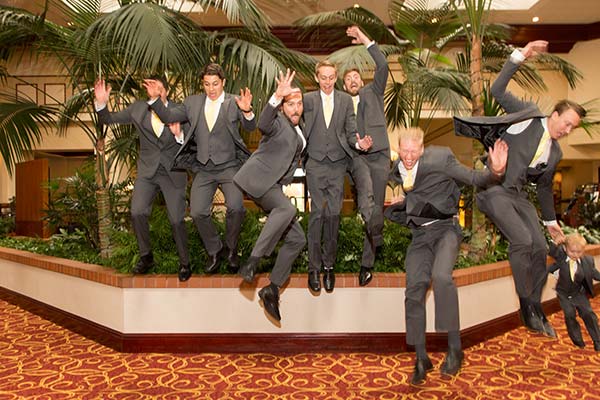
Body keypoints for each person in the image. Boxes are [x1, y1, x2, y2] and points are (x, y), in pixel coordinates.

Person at [454, 40, 587, 337]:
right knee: (523, 241)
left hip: (518, 195)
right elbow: (497, 91)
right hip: (494, 189)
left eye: (572, 129)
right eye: (566, 123)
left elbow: (543, 189)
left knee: (540, 247)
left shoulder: (555, 153)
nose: (567, 130)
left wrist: (551, 222)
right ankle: (526, 305)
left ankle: (533, 305)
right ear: (555, 114)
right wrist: (519, 56)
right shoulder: (529, 115)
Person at [385, 127, 508, 385]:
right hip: (420, 236)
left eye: (414, 151)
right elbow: (406, 191)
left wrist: (495, 171)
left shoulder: (441, 158)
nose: (409, 156)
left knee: (442, 278)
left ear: (422, 148)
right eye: (404, 151)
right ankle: (421, 358)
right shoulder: (397, 168)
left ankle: (455, 349)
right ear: (399, 149)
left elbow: (473, 177)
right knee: (414, 289)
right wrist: (401, 203)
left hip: (445, 229)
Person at [144, 64, 256, 275]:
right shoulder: (192, 103)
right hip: (204, 167)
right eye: (206, 84)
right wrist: (155, 99)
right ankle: (215, 249)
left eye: (215, 84)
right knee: (197, 212)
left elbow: (250, 127)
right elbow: (168, 116)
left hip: (229, 166)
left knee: (236, 207)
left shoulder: (235, 102)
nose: (211, 89)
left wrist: (247, 111)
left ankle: (231, 249)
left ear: (223, 82)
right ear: (202, 84)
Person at [94, 76, 192, 282]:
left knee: (176, 219)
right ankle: (146, 256)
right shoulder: (137, 109)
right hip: (148, 172)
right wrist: (101, 104)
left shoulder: (180, 110)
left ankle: (185, 262)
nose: (156, 91)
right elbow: (107, 119)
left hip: (173, 172)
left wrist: (178, 136)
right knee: (137, 212)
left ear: (166, 91)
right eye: (152, 87)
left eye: (159, 88)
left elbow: (191, 142)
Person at [233, 69, 307, 322]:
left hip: (273, 186)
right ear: (283, 107)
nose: (295, 109)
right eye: (290, 104)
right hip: (257, 179)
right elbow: (263, 124)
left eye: (299, 104)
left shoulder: (300, 130)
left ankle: (272, 289)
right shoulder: (277, 123)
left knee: (297, 239)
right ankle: (252, 262)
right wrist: (276, 96)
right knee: (287, 209)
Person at [303, 59, 374, 293]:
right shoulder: (307, 100)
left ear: (336, 78)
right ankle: (314, 268)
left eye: (331, 77)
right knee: (317, 214)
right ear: (317, 78)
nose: (327, 82)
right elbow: (297, 125)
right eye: (323, 77)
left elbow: (351, 132)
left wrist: (360, 144)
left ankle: (329, 266)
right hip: (315, 163)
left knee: (333, 215)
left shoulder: (345, 101)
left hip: (337, 164)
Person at [342, 25, 390, 287]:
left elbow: (383, 65)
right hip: (355, 159)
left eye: (356, 77)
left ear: (362, 81)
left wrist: (364, 40)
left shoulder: (374, 92)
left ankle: (367, 261)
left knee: (376, 207)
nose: (352, 80)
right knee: (366, 205)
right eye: (348, 78)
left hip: (379, 156)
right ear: (343, 85)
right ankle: (372, 246)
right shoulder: (340, 103)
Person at [548, 233, 600, 350]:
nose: (575, 255)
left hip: (578, 293)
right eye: (572, 252)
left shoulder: (588, 261)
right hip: (564, 294)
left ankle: (597, 340)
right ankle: (578, 340)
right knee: (570, 315)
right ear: (565, 249)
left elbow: (594, 274)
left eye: (579, 252)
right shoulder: (561, 258)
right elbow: (552, 251)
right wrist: (555, 242)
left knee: (589, 314)